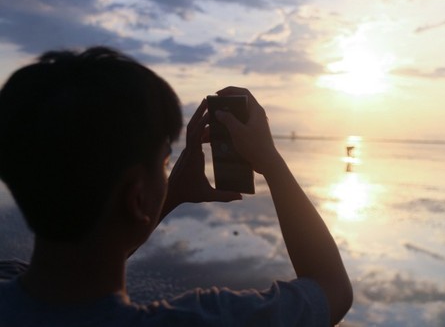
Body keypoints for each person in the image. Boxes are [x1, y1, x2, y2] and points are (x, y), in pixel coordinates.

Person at [0, 47, 352, 326]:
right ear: (137, 197)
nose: (167, 173)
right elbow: (332, 289)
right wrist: (271, 162)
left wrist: (169, 192)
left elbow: (82, 261)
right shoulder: (196, 320)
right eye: (165, 162)